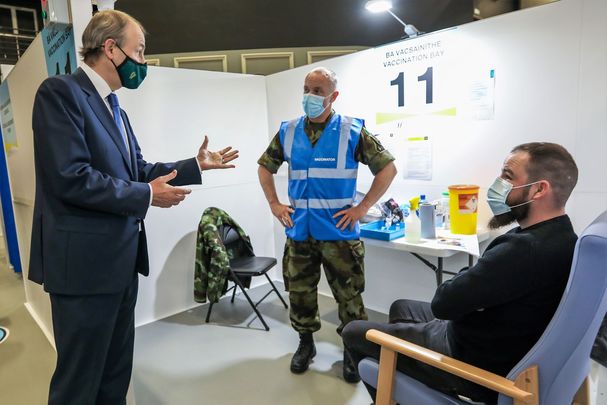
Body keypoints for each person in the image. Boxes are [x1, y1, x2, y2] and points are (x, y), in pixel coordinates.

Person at [28, 10, 238, 405]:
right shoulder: (60, 93)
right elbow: (70, 177)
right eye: (139, 52)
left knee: (114, 371)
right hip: (84, 271)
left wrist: (194, 166)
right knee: (79, 382)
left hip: (121, 264)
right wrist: (145, 196)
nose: (143, 63)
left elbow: (138, 170)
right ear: (110, 49)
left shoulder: (116, 110)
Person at [342, 142, 579, 404]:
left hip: (473, 363)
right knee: (402, 307)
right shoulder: (563, 236)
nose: (497, 184)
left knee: (354, 332)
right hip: (490, 335)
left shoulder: (525, 250)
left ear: (538, 189)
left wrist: (469, 278)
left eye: (507, 176)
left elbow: (443, 303)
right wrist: (472, 280)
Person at [258, 67, 397, 382]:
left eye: (318, 90)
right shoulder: (288, 131)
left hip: (339, 235)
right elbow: (264, 168)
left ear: (333, 96)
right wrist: (274, 204)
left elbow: (387, 168)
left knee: (349, 298)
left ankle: (353, 352)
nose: (310, 95)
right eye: (307, 88)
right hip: (300, 233)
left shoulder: (352, 130)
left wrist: (362, 207)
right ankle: (306, 344)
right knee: (300, 294)